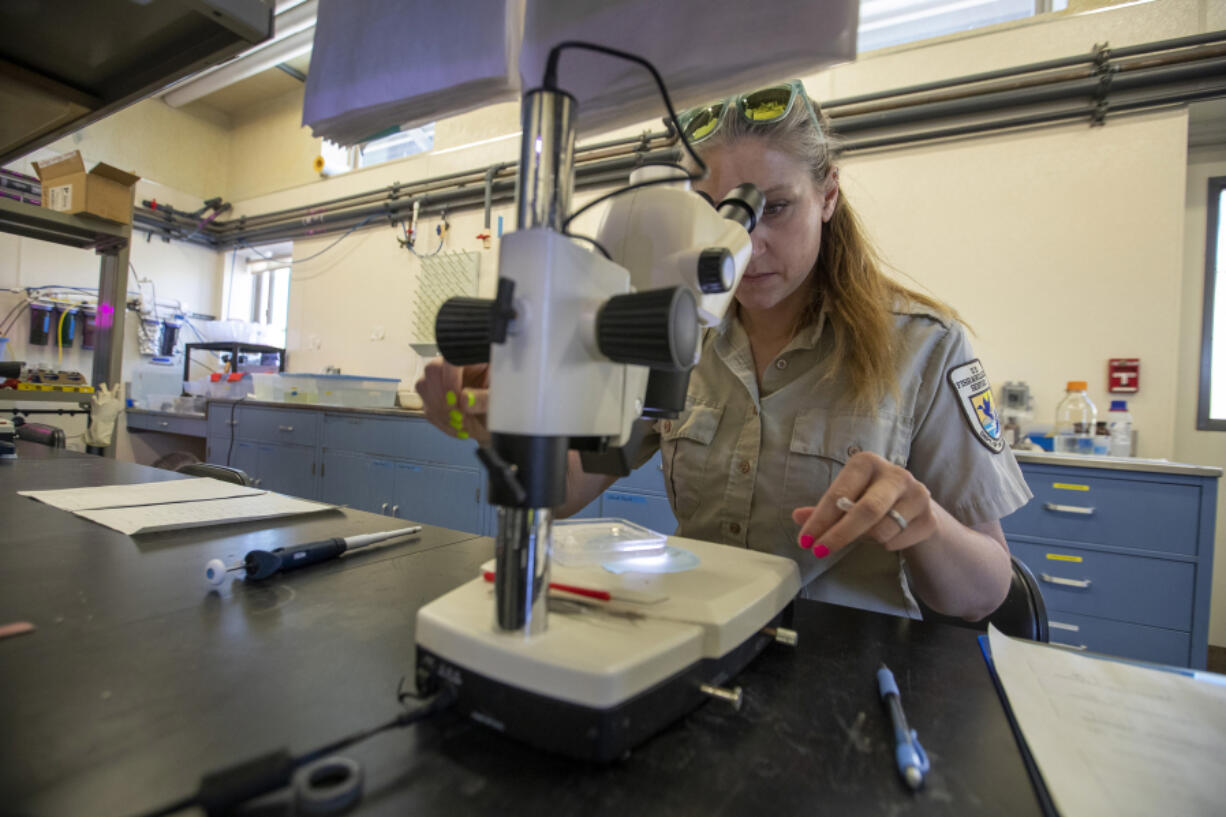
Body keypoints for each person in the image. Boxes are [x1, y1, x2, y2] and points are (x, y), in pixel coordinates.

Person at [416, 80, 1032, 621]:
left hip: (846, 674)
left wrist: (922, 522)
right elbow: (573, 484)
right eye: (716, 214)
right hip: (705, 646)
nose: (748, 245)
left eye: (778, 208)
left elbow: (982, 592)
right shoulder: (676, 325)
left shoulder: (924, 346)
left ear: (829, 196)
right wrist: (502, 422)